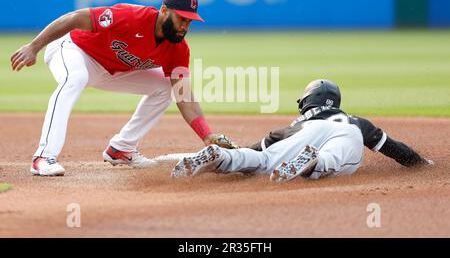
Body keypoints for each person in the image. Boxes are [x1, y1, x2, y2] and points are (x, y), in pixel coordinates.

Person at [10, 0, 236, 176]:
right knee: (75, 78)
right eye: (182, 19)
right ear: (164, 11)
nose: (185, 27)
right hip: (73, 49)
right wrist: (33, 47)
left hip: (111, 70)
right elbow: (73, 19)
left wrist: (207, 135)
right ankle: (43, 157)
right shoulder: (130, 17)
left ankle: (122, 149)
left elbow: (184, 95)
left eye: (190, 22)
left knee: (166, 87)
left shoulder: (178, 49)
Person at [171, 79, 433, 182]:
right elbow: (393, 148)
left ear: (307, 101)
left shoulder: (293, 125)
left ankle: (221, 156)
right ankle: (314, 163)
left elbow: (255, 149)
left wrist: (235, 150)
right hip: (345, 134)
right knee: (335, 158)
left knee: (262, 160)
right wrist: (421, 163)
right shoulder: (354, 121)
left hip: (297, 139)